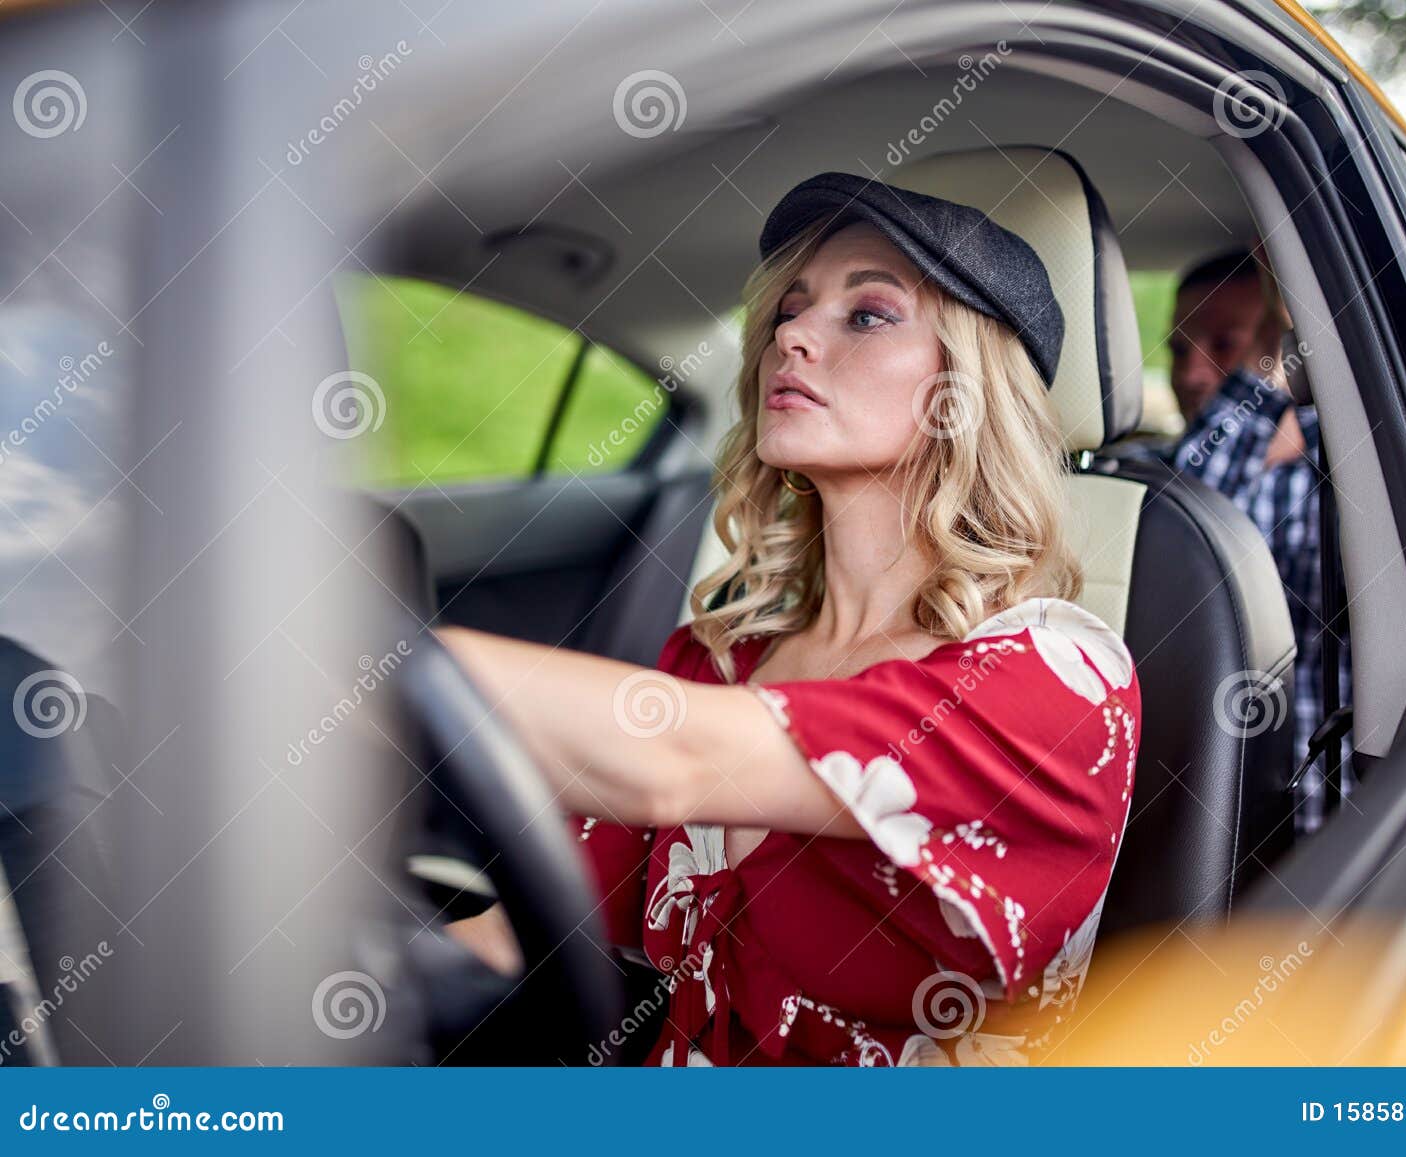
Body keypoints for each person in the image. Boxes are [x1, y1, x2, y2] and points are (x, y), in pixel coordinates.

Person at [441, 172, 1140, 1066]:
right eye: (792, 308)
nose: (792, 335)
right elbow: (529, 931)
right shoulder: (718, 657)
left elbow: (670, 760)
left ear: (965, 392)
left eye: (869, 313)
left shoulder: (1059, 679)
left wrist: (364, 665)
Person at [1134, 249, 1351, 834]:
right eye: (1179, 349)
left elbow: (1206, 512)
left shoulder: (1346, 478)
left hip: (1307, 829)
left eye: (1227, 345)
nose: (1192, 373)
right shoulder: (1148, 471)